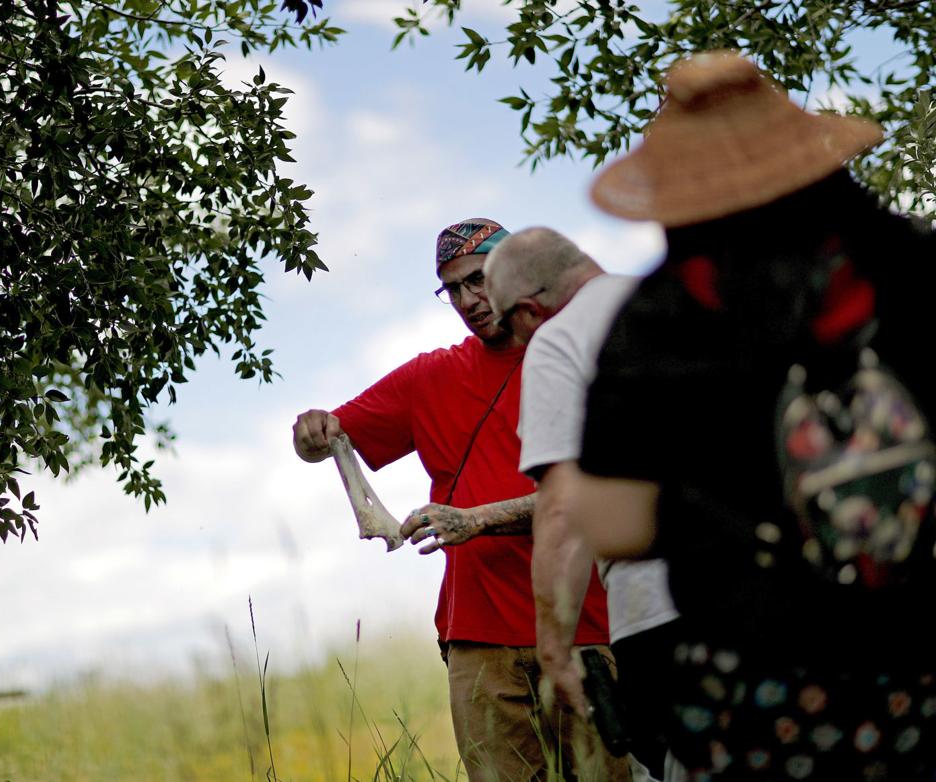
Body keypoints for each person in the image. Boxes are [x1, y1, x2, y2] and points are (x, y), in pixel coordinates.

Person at [571, 51, 936, 780]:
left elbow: (613, 524)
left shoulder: (657, 320)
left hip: (755, 699)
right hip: (920, 675)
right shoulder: (911, 266)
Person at [292, 218, 612, 782]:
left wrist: (477, 521)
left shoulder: (577, 361)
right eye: (452, 289)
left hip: (586, 631)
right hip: (478, 640)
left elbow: (592, 495)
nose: (468, 299)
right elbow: (328, 440)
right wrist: (311, 431)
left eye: (479, 279)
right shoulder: (431, 376)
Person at [484, 227, 681, 781]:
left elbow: (564, 508)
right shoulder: (681, 302)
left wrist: (554, 651)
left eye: (507, 323)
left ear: (528, 309)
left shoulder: (558, 339)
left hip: (662, 613)